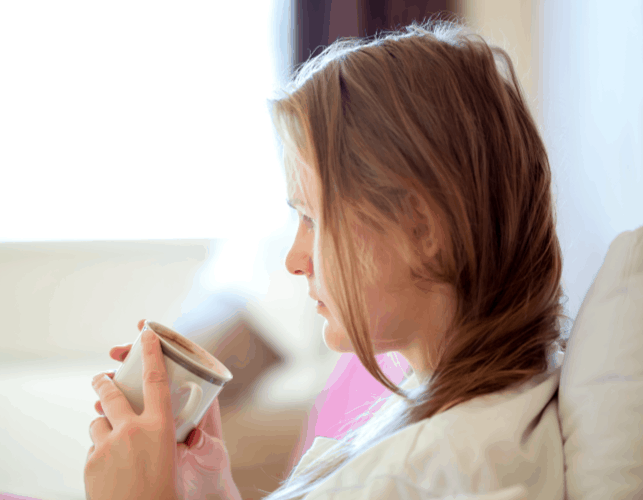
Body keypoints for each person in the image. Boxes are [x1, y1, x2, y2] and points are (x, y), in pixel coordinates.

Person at [86, 19, 571, 500]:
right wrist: (212, 491)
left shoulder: (413, 477)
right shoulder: (468, 410)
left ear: (422, 228)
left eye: (313, 218)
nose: (295, 260)